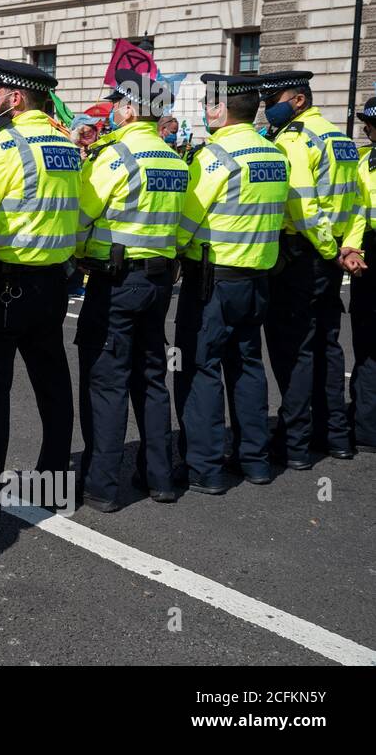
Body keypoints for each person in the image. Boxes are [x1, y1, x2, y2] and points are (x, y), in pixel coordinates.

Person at [0, 60, 79, 530]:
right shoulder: (66, 144)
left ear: (17, 98)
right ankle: (54, 482)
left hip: (3, 285)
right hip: (52, 283)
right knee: (53, 384)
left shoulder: (2, 144)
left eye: (0, 92)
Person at [75, 68, 187, 512]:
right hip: (159, 282)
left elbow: (82, 216)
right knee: (152, 378)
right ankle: (160, 476)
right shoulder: (176, 160)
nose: (115, 110)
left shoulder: (115, 157)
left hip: (115, 283)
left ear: (128, 108)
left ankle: (102, 485)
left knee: (107, 382)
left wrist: (79, 254)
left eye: (119, 103)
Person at [173, 75, 289, 493]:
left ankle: (205, 468)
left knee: (202, 370)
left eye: (208, 104)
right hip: (257, 278)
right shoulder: (275, 154)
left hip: (213, 281)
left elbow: (186, 223)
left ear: (220, 110)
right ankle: (255, 461)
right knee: (247, 367)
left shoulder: (214, 157)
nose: (206, 111)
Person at [260, 70, 361, 466]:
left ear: (298, 100)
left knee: (295, 350)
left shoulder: (295, 140)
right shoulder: (341, 138)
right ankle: (335, 435)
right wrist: (347, 245)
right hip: (332, 254)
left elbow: (302, 206)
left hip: (304, 255)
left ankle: (295, 443)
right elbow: (354, 202)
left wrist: (325, 248)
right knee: (327, 345)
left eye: (274, 101)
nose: (269, 109)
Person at [340, 98, 376, 452]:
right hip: (369, 252)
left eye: (370, 125)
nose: (367, 130)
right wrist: (352, 248)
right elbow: (358, 211)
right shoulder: (365, 161)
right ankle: (364, 423)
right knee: (365, 342)